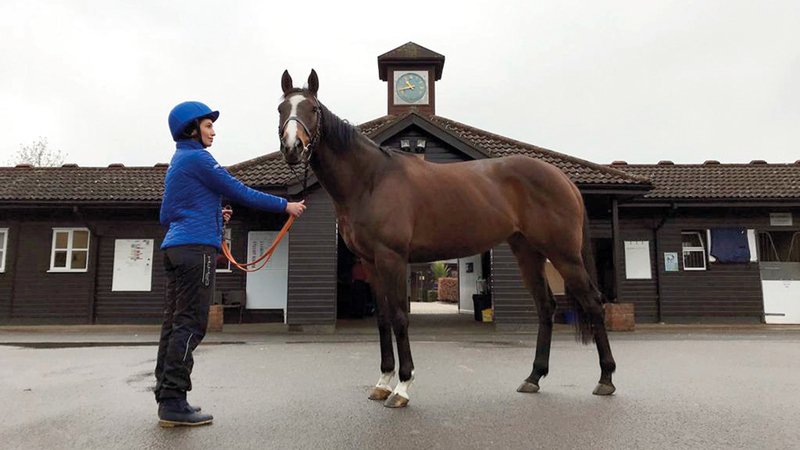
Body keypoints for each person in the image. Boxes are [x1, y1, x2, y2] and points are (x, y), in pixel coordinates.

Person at [155, 101, 306, 427]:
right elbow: (238, 191)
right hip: (196, 253)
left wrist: (213, 214)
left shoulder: (178, 162)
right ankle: (174, 402)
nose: (213, 131)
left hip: (175, 249)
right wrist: (286, 206)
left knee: (173, 324)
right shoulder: (199, 158)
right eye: (208, 125)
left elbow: (167, 215)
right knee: (191, 324)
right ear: (191, 129)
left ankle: (166, 395)